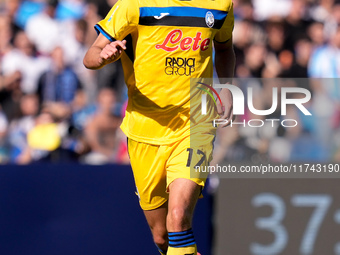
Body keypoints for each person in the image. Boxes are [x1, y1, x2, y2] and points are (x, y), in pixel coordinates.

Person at [83, 0, 235, 254]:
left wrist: (227, 87)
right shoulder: (133, 5)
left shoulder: (220, 4)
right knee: (162, 236)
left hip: (195, 124)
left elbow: (225, 47)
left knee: (178, 218)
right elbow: (90, 56)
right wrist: (103, 56)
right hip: (145, 130)